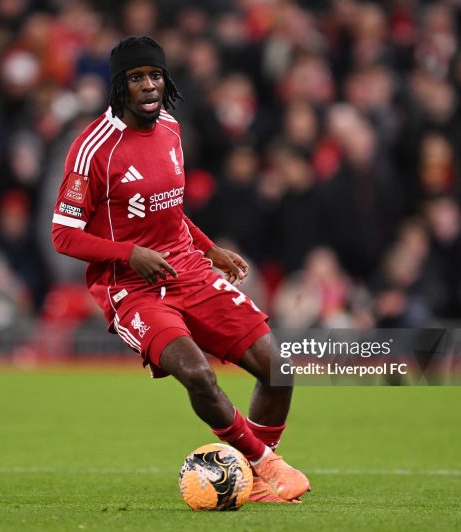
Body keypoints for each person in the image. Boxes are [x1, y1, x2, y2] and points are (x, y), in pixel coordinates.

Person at [51, 36, 310, 503]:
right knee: (198, 374)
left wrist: (211, 250)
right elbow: (63, 234)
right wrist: (129, 255)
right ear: (118, 87)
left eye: (155, 75)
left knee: (277, 368)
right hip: (131, 289)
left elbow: (167, 212)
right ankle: (266, 465)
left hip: (187, 268)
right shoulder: (92, 149)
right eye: (136, 78)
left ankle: (250, 477)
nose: (149, 86)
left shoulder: (171, 127)